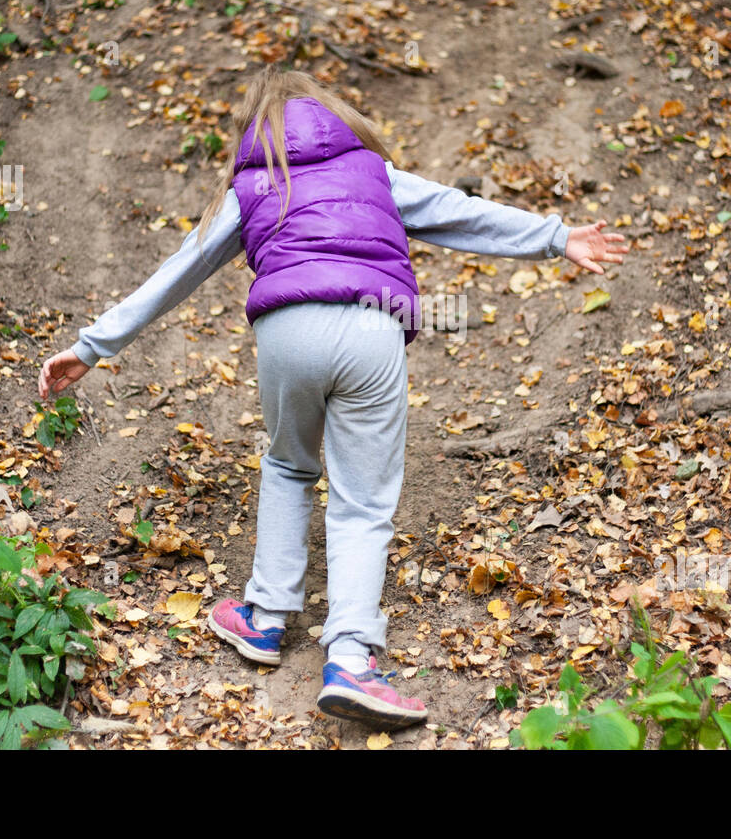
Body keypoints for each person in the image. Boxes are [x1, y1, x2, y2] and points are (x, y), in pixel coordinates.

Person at [38, 65, 627, 729]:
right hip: (372, 327)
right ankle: (350, 658)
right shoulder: (371, 172)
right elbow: (460, 212)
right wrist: (557, 237)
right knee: (363, 500)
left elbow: (181, 268)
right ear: (339, 117)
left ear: (257, 132)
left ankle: (264, 620)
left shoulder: (253, 184)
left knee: (290, 463)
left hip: (288, 331)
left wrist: (92, 346)